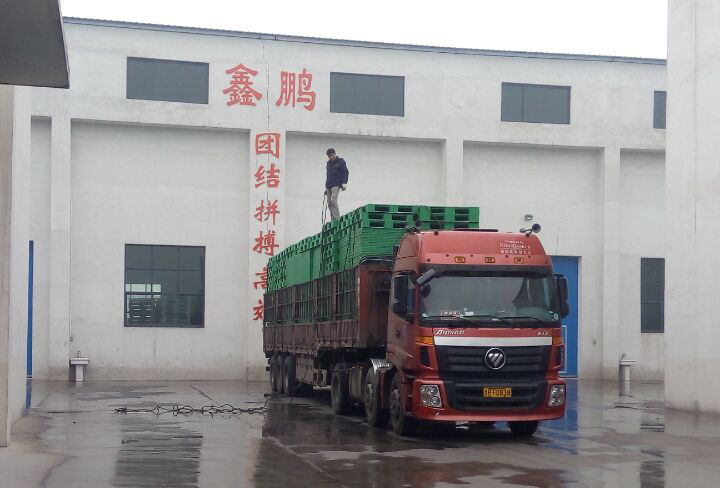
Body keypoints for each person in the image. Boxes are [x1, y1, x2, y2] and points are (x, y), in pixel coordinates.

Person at [324, 148, 349, 221]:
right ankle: (333, 219)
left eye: (332, 155)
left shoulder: (341, 161)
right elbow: (328, 175)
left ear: (335, 154)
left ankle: (337, 218)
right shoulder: (328, 164)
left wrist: (344, 182)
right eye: (329, 156)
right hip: (329, 185)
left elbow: (345, 172)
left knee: (333, 201)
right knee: (329, 203)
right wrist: (326, 188)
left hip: (336, 184)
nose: (331, 157)